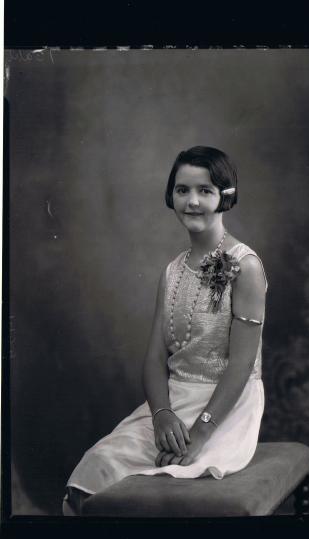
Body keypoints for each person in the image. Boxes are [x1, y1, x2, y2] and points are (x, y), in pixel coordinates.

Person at [62, 145, 268, 516]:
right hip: (172, 401)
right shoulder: (171, 272)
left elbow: (241, 366)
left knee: (164, 485)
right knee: (94, 471)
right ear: (170, 195)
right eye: (182, 190)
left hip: (224, 405)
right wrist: (161, 415)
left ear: (226, 197)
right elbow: (156, 357)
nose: (192, 201)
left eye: (205, 191)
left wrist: (201, 434)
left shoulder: (245, 267)